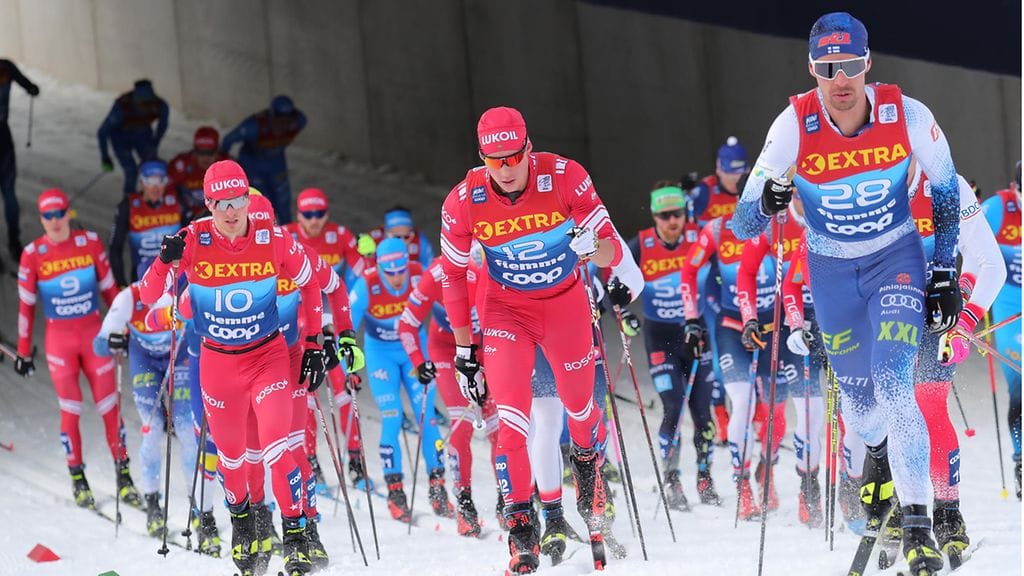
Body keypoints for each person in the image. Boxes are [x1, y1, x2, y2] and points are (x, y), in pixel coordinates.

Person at [732, 12, 962, 574]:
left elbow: (946, 190)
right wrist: (767, 202)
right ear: (811, 68)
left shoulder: (908, 115)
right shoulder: (792, 126)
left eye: (851, 65)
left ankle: (918, 527)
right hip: (831, 273)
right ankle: (879, 459)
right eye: (828, 67)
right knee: (861, 410)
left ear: (868, 64)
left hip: (895, 261)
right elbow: (742, 224)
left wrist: (943, 272)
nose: (840, 79)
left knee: (895, 383)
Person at [440, 106, 634, 574]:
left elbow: (612, 249)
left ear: (528, 148)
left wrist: (594, 247)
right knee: (512, 423)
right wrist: (464, 349)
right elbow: (452, 276)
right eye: (495, 161)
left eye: (514, 158)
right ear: (482, 158)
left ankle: (589, 490)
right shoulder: (464, 200)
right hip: (506, 311)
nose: (506, 169)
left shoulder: (566, 176)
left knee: (581, 411)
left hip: (564, 306)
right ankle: (522, 530)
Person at [140, 160, 328, 576]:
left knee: (278, 448)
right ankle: (245, 526)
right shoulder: (192, 239)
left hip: (267, 358)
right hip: (219, 366)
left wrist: (315, 341)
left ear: (247, 198)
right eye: (221, 203)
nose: (230, 211)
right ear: (208, 204)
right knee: (232, 459)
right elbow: (149, 296)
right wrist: (164, 261)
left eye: (237, 200)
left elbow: (311, 282)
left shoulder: (272, 238)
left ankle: (296, 537)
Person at [15, 188, 140, 508]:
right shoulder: (33, 254)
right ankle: (78, 478)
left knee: (110, 407)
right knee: (70, 409)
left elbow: (111, 292)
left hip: (93, 337)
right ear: (41, 218)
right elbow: (26, 307)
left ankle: (124, 475)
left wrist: (126, 328)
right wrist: (23, 351)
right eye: (48, 216)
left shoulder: (90, 243)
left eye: (59, 213)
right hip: (60, 344)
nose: (55, 221)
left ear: (68, 212)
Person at [93, 283, 220, 552]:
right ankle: (153, 505)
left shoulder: (185, 292)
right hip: (146, 363)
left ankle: (199, 509)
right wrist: (113, 341)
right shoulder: (129, 298)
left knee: (187, 431)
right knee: (152, 428)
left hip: (179, 356)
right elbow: (99, 346)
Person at [622, 183, 721, 509]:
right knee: (673, 407)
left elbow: (728, 264)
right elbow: (612, 278)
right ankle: (672, 479)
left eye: (677, 213)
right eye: (664, 216)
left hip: (697, 333)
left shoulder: (699, 237)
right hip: (661, 337)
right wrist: (623, 312)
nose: (672, 221)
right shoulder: (642, 244)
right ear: (654, 217)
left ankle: (705, 477)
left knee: (702, 411)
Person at [349, 237, 452, 523]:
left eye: (400, 271)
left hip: (414, 350)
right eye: (390, 272)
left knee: (427, 418)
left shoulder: (420, 273)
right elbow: (346, 325)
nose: (396, 278)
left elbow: (449, 302)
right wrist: (348, 366)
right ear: (380, 267)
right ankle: (396, 492)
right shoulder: (367, 283)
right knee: (392, 417)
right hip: (380, 354)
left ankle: (438, 487)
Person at [397, 249, 498, 536]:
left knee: (499, 429)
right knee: (462, 424)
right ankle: (465, 505)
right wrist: (419, 362)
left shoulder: (497, 269)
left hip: (485, 348)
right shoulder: (437, 273)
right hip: (447, 350)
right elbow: (407, 324)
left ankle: (510, 501)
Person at [981, 161, 1022, 500]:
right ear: (1015, 189)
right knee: (1020, 385)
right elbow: (967, 242)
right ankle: (1021, 459)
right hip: (1010, 313)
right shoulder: (999, 208)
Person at [220, 95, 306, 223]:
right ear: (271, 117)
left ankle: (287, 231)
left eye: (287, 121)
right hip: (252, 165)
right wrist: (225, 162)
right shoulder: (254, 126)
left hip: (277, 163)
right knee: (262, 200)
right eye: (279, 121)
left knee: (283, 200)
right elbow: (228, 140)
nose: (283, 126)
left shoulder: (299, 122)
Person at [109, 160, 183, 287]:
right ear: (142, 183)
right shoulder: (128, 206)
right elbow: (115, 247)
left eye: (161, 181)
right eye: (150, 182)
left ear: (167, 182)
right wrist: (121, 283)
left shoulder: (178, 201)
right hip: (142, 278)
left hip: (175, 277)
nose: (155, 188)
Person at [97, 79, 169, 194]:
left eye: (148, 104)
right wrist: (105, 157)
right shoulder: (122, 106)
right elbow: (102, 132)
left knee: (152, 166)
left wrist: (155, 144)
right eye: (142, 104)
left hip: (143, 134)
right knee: (131, 171)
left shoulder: (159, 105)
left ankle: (154, 195)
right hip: (120, 137)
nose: (145, 108)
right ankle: (129, 199)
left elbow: (162, 125)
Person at [0, 59, 39, 261]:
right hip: (3, 137)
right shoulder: (5, 67)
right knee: (9, 194)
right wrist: (32, 88)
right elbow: (29, 86)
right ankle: (14, 242)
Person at [168, 126, 231, 224]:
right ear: (194, 151)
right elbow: (166, 189)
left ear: (217, 151)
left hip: (219, 216)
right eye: (201, 153)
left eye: (210, 153)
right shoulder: (182, 165)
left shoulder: (227, 166)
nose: (205, 157)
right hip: (188, 217)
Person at [365, 205, 436, 267]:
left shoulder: (420, 241)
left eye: (406, 237)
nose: (402, 241)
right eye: (397, 237)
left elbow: (429, 268)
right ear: (386, 233)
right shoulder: (371, 240)